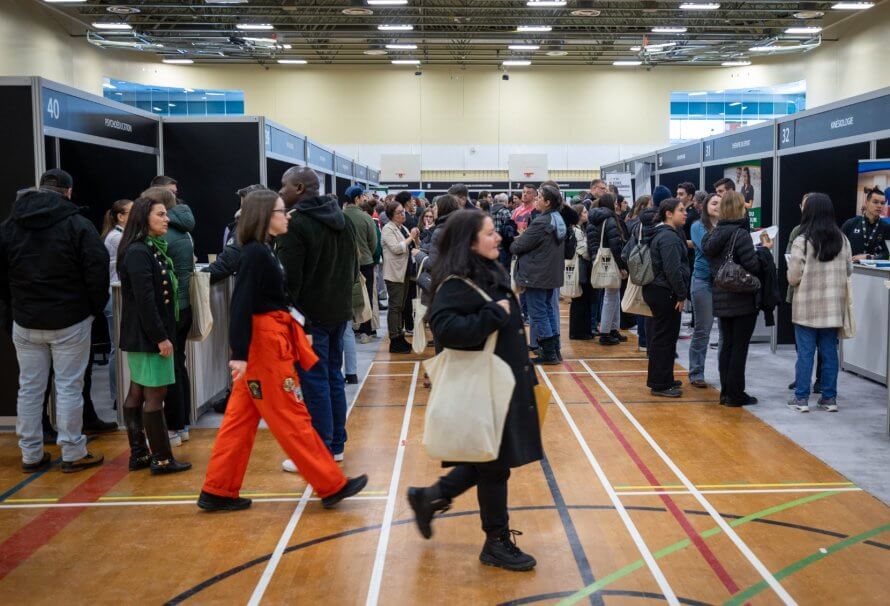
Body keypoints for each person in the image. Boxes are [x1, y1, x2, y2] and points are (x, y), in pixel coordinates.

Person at [197, 190, 367, 511]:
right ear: (265, 216)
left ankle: (218, 489)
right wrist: (239, 354)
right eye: (281, 211)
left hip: (268, 340)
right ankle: (331, 484)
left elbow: (279, 298)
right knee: (292, 416)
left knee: (239, 421)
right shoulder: (255, 254)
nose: (287, 216)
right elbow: (241, 304)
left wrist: (302, 327)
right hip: (263, 348)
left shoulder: (264, 250)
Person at [406, 210, 542, 572]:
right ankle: (495, 541)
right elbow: (447, 329)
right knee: (494, 466)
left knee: (490, 460)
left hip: (502, 383)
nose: (498, 237)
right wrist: (493, 315)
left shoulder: (486, 270)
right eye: (490, 233)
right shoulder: (456, 283)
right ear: (469, 242)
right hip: (487, 386)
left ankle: (431, 497)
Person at [0, 169, 109, 473]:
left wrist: (14, 306)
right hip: (70, 319)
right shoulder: (78, 224)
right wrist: (92, 309)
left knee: (29, 389)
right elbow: (97, 269)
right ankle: (73, 451)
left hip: (25, 320)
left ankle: (30, 454)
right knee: (69, 387)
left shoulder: (10, 226)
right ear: (68, 192)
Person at [277, 166, 357, 466]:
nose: (280, 191)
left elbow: (289, 281)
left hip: (310, 318)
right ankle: (335, 444)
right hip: (339, 312)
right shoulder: (344, 220)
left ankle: (319, 449)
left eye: (284, 186)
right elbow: (352, 269)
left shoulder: (295, 224)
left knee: (315, 382)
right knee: (333, 377)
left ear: (299, 188)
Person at [118, 197, 191, 474]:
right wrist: (160, 337)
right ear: (143, 218)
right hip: (148, 336)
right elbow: (145, 301)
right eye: (160, 214)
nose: (167, 219)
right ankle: (161, 458)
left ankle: (140, 455)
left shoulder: (149, 247)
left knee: (138, 391)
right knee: (154, 395)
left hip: (144, 334)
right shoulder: (139, 251)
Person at [786, 193, 852, 413]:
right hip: (833, 309)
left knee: (805, 354)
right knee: (829, 353)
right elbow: (849, 270)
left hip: (806, 307)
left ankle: (801, 399)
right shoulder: (843, 240)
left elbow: (793, 277)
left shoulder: (802, 241)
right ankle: (829, 398)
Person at [702, 191, 767, 407]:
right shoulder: (741, 234)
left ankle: (726, 392)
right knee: (739, 348)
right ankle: (736, 394)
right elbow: (752, 265)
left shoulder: (712, 235)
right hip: (742, 298)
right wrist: (764, 251)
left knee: (727, 346)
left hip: (721, 296)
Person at [142, 186, 195, 446]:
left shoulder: (161, 237)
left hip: (170, 309)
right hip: (182, 307)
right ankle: (181, 424)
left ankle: (173, 427)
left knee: (169, 371)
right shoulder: (183, 231)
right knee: (177, 366)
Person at [510, 185, 566, 365]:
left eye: (539, 197)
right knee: (548, 310)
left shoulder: (541, 222)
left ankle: (549, 354)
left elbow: (517, 247)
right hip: (550, 273)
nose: (536, 199)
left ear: (547, 202)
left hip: (537, 274)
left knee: (538, 313)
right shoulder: (557, 218)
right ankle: (554, 351)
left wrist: (518, 239)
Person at [642, 199, 689, 398]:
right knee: (664, 338)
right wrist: (681, 294)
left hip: (658, 289)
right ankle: (660, 383)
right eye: (681, 210)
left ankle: (664, 378)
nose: (685, 213)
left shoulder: (662, 233)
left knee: (664, 336)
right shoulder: (668, 237)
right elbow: (672, 270)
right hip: (665, 291)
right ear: (669, 214)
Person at [786, 194, 822, 394]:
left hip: (819, 294)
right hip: (799, 291)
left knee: (823, 345)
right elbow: (789, 258)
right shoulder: (797, 232)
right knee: (802, 344)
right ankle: (802, 378)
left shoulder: (830, 234)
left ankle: (820, 380)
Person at [100, 198, 133, 407]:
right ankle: (117, 395)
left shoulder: (120, 236)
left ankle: (121, 393)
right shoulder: (116, 237)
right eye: (131, 212)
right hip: (115, 295)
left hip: (118, 294)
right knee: (116, 348)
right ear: (120, 217)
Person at [586, 193, 628, 346]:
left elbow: (591, 244)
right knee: (610, 296)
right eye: (616, 203)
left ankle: (613, 329)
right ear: (611, 204)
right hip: (610, 261)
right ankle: (605, 332)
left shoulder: (592, 219)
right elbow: (615, 245)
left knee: (612, 295)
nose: (617, 205)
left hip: (599, 260)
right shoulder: (610, 219)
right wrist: (622, 265)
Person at [688, 193, 719, 388]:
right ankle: (696, 372)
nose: (718, 206)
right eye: (714, 203)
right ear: (706, 206)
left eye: (721, 204)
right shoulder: (697, 226)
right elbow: (709, 249)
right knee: (703, 329)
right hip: (703, 281)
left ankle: (725, 372)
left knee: (725, 332)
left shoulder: (727, 226)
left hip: (724, 281)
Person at [381, 198, 420, 353]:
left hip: (404, 272)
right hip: (394, 273)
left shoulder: (402, 228)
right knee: (395, 306)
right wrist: (411, 237)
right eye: (399, 213)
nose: (403, 214)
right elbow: (397, 248)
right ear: (392, 215)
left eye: (403, 212)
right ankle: (394, 339)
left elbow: (413, 246)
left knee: (401, 306)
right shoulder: (387, 229)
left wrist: (415, 237)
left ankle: (399, 336)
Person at [343, 184, 379, 343]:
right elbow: (373, 243)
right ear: (357, 198)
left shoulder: (340, 216)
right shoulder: (366, 218)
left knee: (348, 295)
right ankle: (366, 330)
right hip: (365, 263)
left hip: (346, 264)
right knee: (366, 296)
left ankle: (350, 328)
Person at [568, 203, 595, 340]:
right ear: (578, 215)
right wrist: (592, 254)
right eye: (584, 212)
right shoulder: (577, 231)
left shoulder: (578, 229)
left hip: (580, 267)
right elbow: (583, 251)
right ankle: (579, 331)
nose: (587, 214)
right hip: (581, 267)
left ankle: (581, 330)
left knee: (580, 299)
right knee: (581, 299)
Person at [842, 187, 889, 261]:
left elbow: (887, 253)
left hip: (874, 267)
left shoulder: (886, 227)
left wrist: (869, 257)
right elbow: (838, 248)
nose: (879, 206)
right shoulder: (850, 224)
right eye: (875, 202)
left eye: (882, 203)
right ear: (866, 202)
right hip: (851, 265)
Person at [490, 193, 516, 267]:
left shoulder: (491, 211)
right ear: (506, 201)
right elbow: (510, 227)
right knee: (505, 268)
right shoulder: (505, 211)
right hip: (504, 244)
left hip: (494, 243)